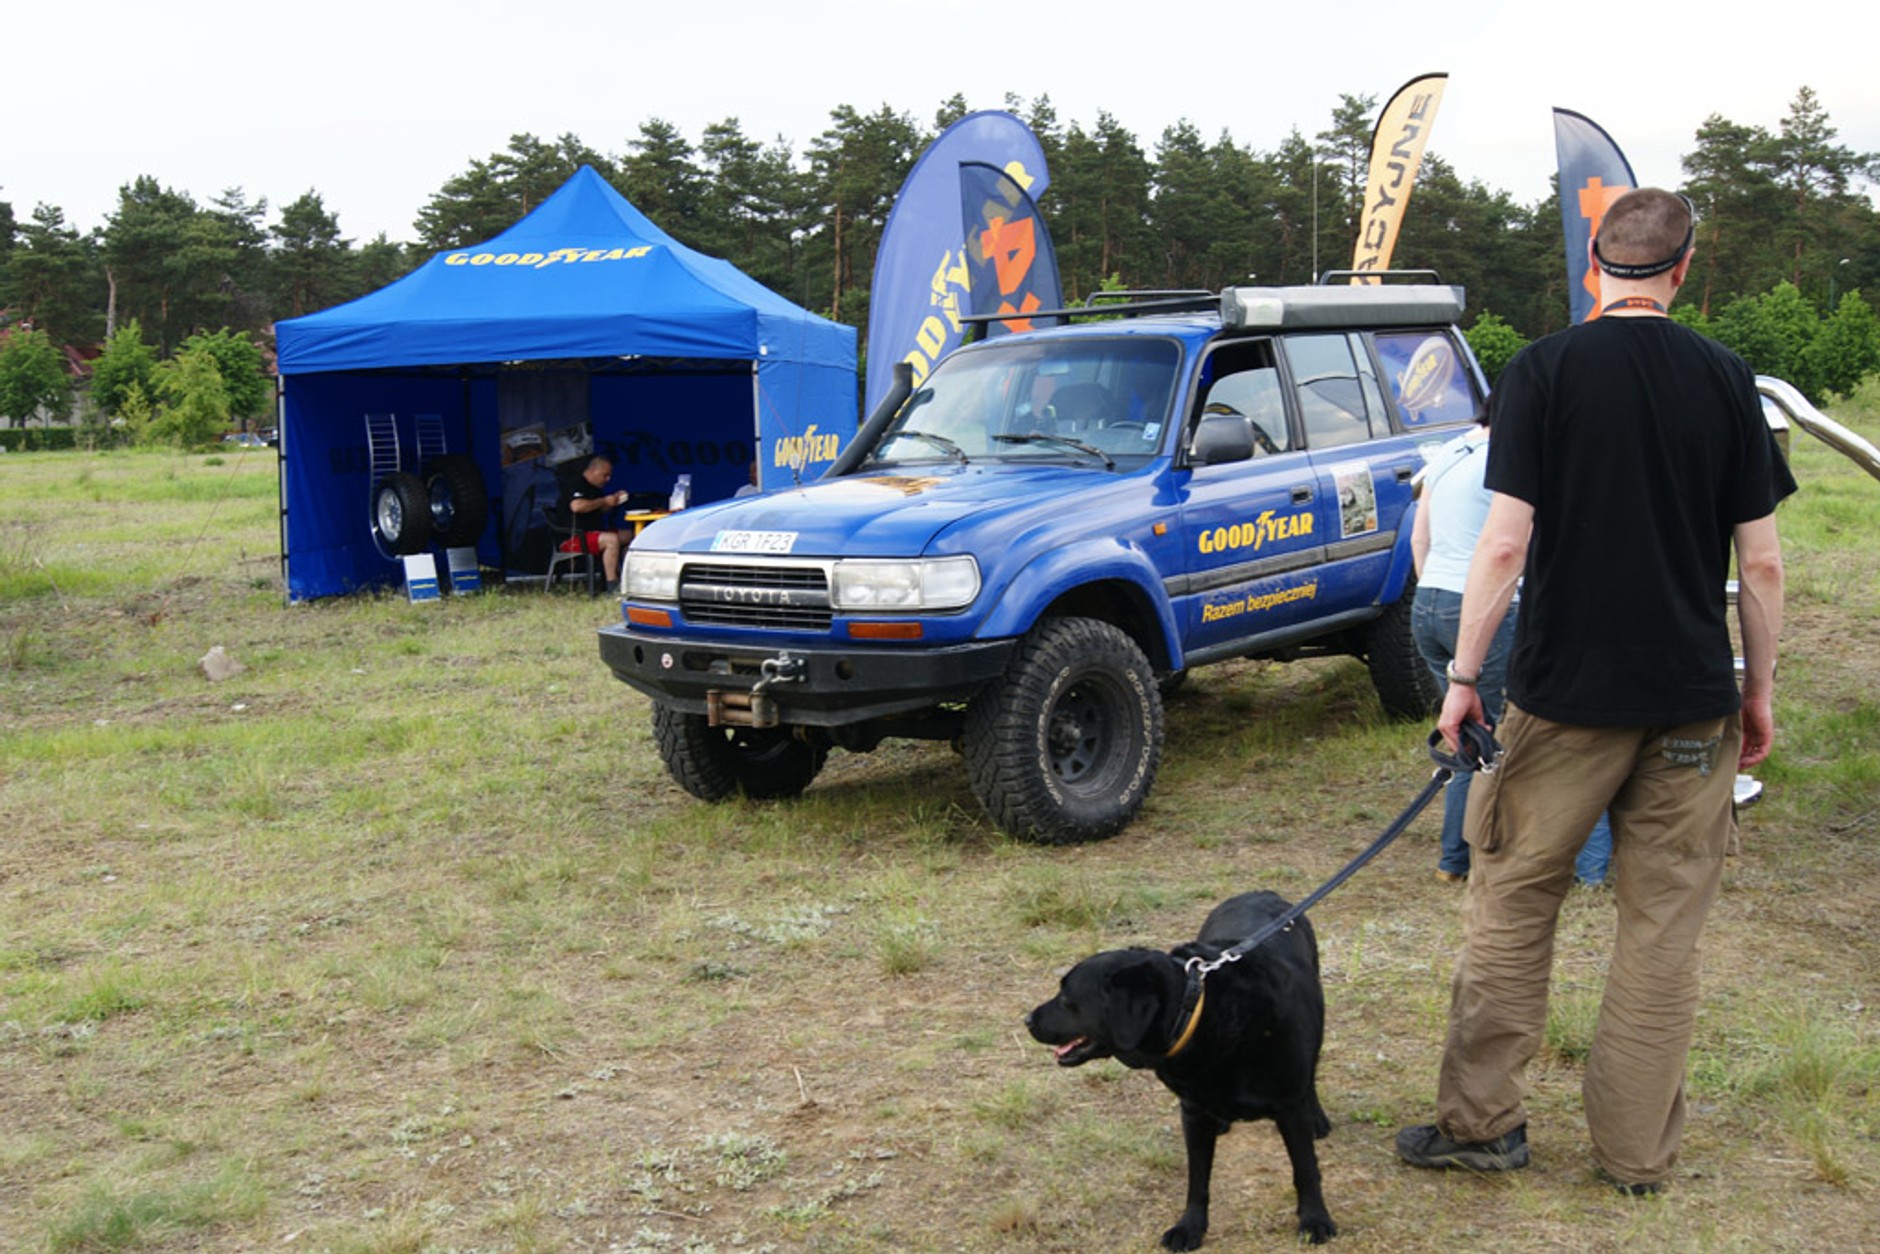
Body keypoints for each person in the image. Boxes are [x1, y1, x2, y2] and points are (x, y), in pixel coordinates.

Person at [1395, 188, 1792, 1196]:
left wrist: (1461, 678)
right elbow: (1764, 566)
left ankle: (1479, 1126)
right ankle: (1633, 1159)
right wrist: (1757, 696)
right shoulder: (1724, 377)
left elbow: (1502, 541)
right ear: (1683, 269)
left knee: (1511, 908)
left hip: (1561, 699)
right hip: (1691, 702)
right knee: (1660, 932)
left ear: (1591, 267)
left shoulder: (1541, 370)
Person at [1412, 418, 1614, 887]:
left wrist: (1441, 595)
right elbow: (1528, 542)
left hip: (1430, 601)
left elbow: (1419, 538)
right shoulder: (1516, 458)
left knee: (1469, 734)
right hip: (1484, 605)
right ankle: (1589, 866)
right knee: (1539, 731)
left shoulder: (1449, 452)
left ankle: (1454, 859)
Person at [558, 453, 634, 584]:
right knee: (611, 540)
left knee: (629, 535)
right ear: (593, 471)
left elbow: (599, 508)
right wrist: (604, 500)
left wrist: (613, 501)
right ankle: (612, 583)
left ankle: (626, 577)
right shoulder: (576, 484)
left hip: (594, 533)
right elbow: (577, 506)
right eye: (605, 475)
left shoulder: (596, 488)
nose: (608, 479)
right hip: (574, 537)